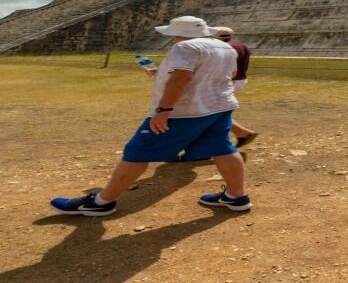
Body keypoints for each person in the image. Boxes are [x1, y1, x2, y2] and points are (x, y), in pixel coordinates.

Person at [50, 15, 252, 216]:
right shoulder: (224, 47)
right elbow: (227, 75)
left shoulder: (185, 47)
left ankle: (101, 202)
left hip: (184, 111)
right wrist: (164, 73)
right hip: (219, 106)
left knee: (138, 151)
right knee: (222, 147)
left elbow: (182, 78)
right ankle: (236, 196)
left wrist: (163, 111)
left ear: (177, 33)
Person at [213, 26, 258, 148]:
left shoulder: (224, 48)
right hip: (240, 80)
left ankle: (242, 133)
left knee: (212, 113)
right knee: (215, 111)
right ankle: (241, 133)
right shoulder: (240, 46)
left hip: (229, 82)